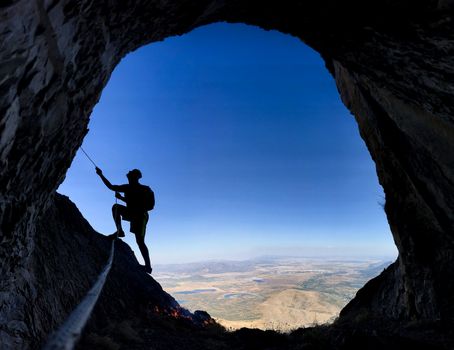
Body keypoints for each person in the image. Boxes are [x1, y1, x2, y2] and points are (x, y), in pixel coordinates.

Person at [95, 167, 154, 274]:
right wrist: (100, 175)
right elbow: (112, 187)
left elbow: (150, 206)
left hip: (140, 216)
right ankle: (119, 231)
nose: (128, 173)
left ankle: (148, 267)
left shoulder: (144, 189)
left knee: (140, 241)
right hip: (135, 213)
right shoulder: (129, 187)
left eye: (130, 173)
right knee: (116, 207)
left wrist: (100, 174)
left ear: (134, 177)